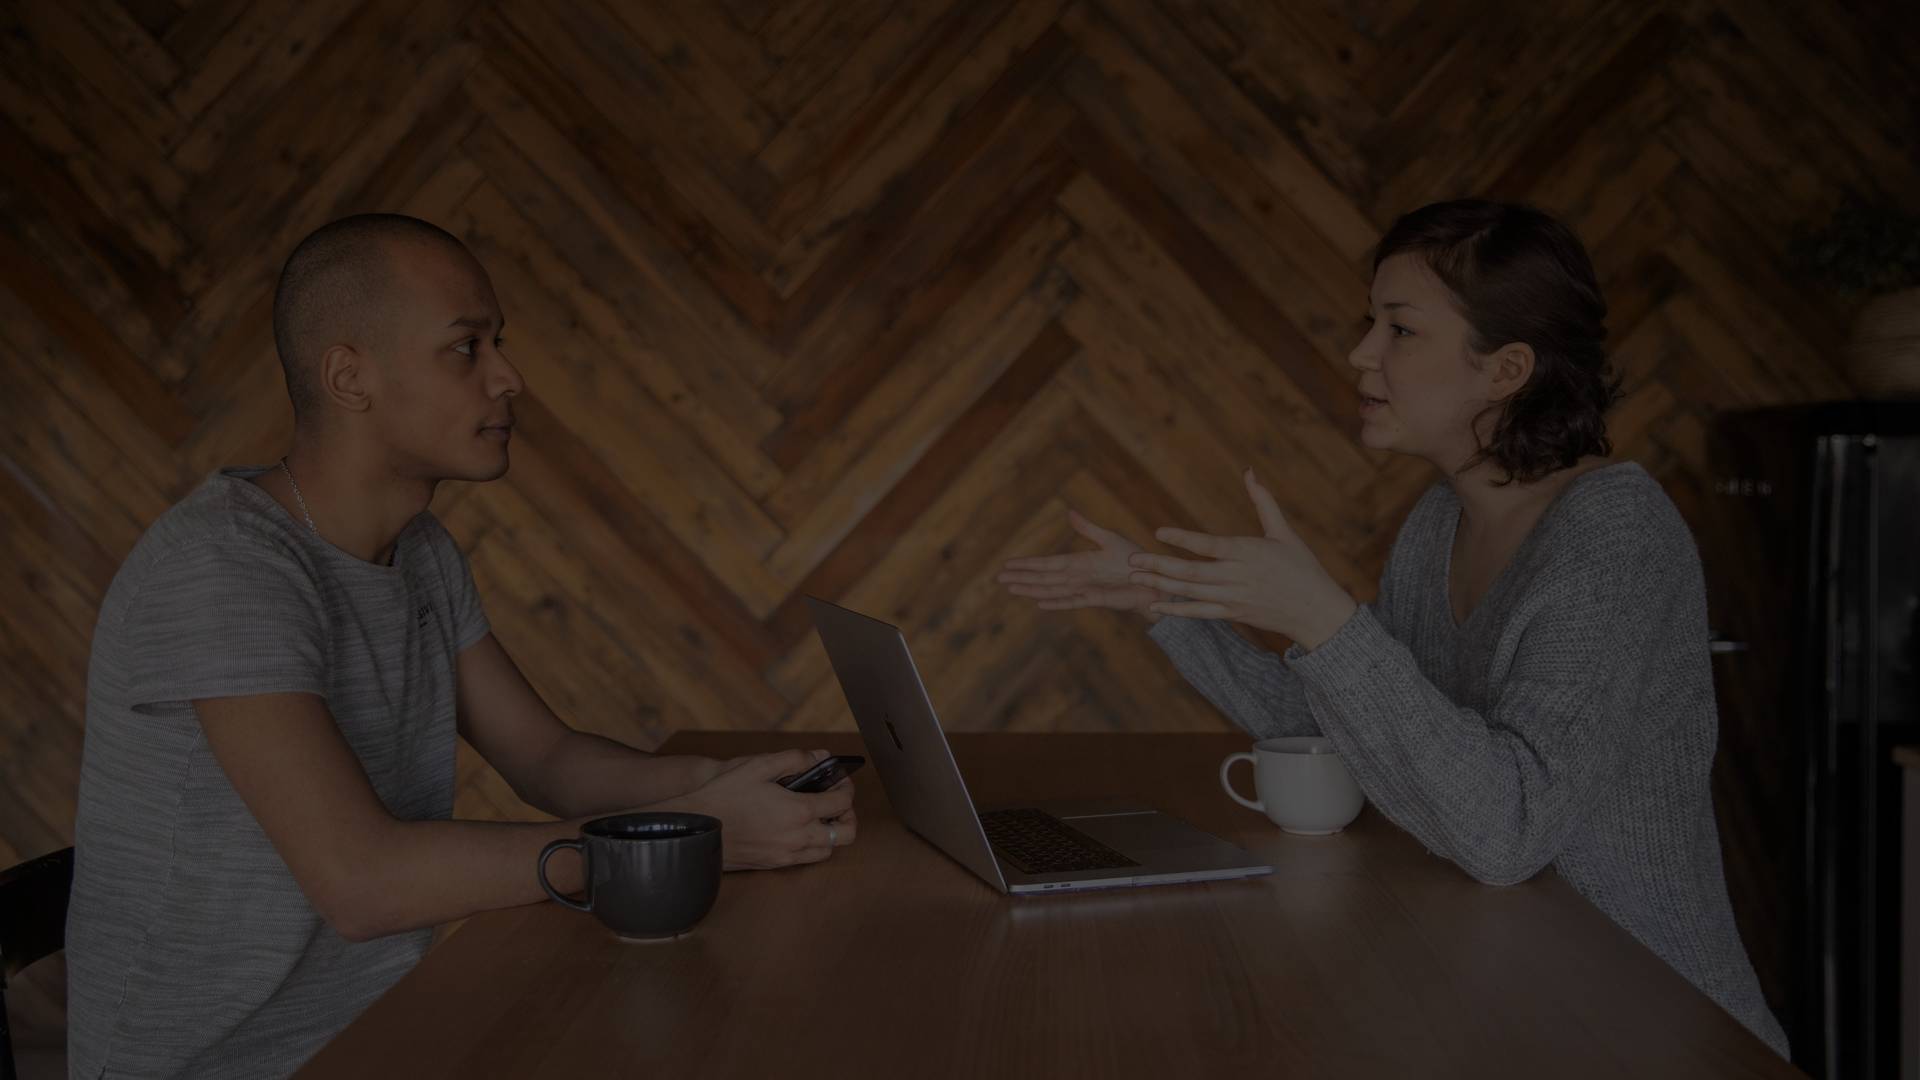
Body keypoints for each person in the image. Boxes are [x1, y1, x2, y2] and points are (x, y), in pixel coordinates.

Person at [64, 214, 858, 1079]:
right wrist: (686, 839)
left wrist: (724, 786)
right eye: (466, 347)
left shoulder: (422, 553)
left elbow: (549, 761)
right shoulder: (222, 568)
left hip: (385, 1035)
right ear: (349, 377)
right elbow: (362, 883)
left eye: (498, 344)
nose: (508, 377)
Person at [999, 198, 1789, 1057]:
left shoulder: (1616, 538)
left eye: (1400, 330)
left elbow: (1508, 833)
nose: (1360, 353)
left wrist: (1324, 620)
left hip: (1651, 1028)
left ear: (1506, 369)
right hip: (1509, 1001)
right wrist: (1159, 602)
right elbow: (1349, 735)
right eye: (1369, 322)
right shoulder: (1436, 525)